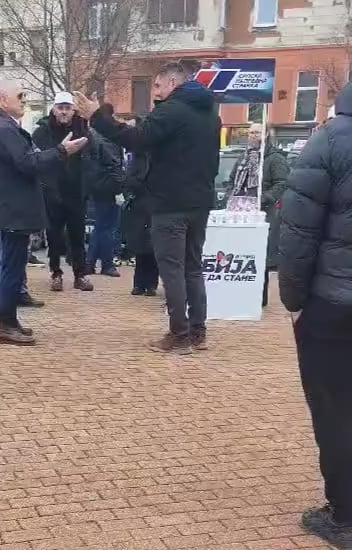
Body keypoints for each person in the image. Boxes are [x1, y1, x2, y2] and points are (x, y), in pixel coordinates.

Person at [75, 62, 220, 354]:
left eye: (157, 85)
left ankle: (179, 335)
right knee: (193, 268)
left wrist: (97, 116)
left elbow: (136, 139)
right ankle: (197, 332)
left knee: (172, 270)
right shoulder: (210, 114)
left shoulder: (172, 110)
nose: (155, 92)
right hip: (199, 203)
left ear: (173, 83)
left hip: (170, 203)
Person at [278, 75, 352, 550]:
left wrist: (294, 301)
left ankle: (342, 516)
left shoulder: (330, 141)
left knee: (338, 409)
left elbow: (297, 232)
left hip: (336, 303)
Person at [0, 79, 87, 344]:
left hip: (12, 209)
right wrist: (61, 151)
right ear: (2, 99)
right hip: (12, 210)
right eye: (20, 96)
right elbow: (28, 163)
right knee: (11, 268)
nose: (24, 100)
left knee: (14, 267)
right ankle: (7, 324)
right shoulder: (2, 128)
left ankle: (10, 321)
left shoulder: (2, 125)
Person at [0, 92, 44, 316]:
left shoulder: (7, 125)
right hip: (1, 199)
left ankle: (18, 291)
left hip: (8, 198)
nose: (23, 101)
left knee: (16, 251)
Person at [32, 92, 94, 292]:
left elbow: (93, 153)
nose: (64, 112)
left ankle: (80, 274)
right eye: (60, 108)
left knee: (77, 236)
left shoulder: (82, 128)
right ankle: (56, 273)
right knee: (54, 236)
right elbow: (36, 160)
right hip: (52, 191)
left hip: (76, 191)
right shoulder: (43, 131)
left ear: (73, 110)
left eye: (68, 108)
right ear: (54, 109)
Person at [226, 123, 288, 306]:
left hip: (263, 212)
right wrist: (231, 196)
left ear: (266, 134)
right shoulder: (243, 157)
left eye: (257, 132)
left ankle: (258, 298)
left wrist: (262, 198)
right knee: (240, 254)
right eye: (251, 132)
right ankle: (239, 293)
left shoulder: (275, 158)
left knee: (260, 255)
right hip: (240, 212)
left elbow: (282, 183)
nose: (253, 135)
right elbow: (232, 180)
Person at [85, 103, 125, 277]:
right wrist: (119, 188)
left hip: (97, 185)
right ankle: (107, 264)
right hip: (108, 186)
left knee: (100, 225)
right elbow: (114, 164)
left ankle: (90, 263)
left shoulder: (92, 135)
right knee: (108, 226)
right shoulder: (108, 138)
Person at [122, 145, 159, 296]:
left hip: (156, 205)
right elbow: (128, 180)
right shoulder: (138, 157)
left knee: (154, 245)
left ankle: (151, 284)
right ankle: (139, 284)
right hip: (139, 204)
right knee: (140, 245)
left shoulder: (162, 156)